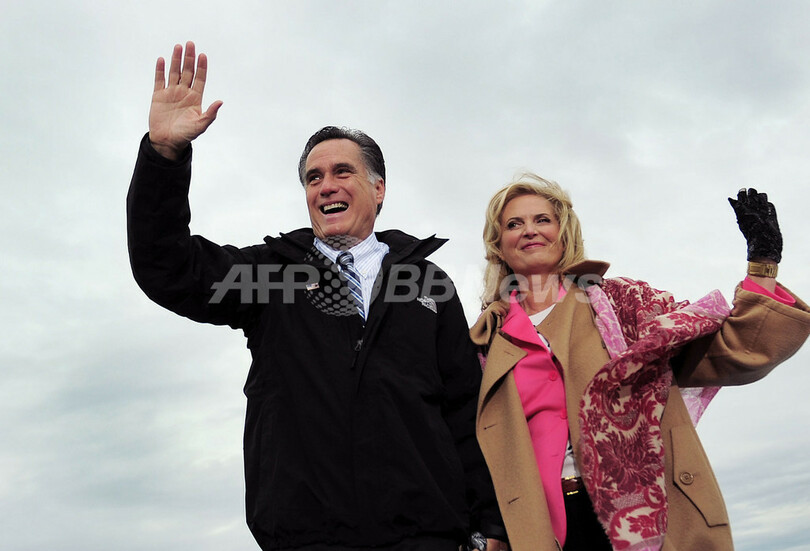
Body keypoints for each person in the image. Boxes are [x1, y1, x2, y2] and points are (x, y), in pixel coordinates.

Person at [127, 41, 506, 551]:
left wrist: (490, 523)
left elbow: (466, 410)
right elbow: (167, 266)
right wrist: (163, 157)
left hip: (426, 537)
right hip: (307, 537)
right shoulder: (271, 275)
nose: (326, 186)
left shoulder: (429, 283)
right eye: (313, 177)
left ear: (378, 189)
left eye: (342, 172)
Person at [470, 173, 810, 551]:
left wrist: (762, 265)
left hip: (643, 513)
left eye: (542, 219)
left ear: (564, 232)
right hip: (541, 528)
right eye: (513, 224)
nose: (529, 231)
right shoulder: (485, 340)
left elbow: (730, 351)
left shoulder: (624, 303)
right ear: (498, 245)